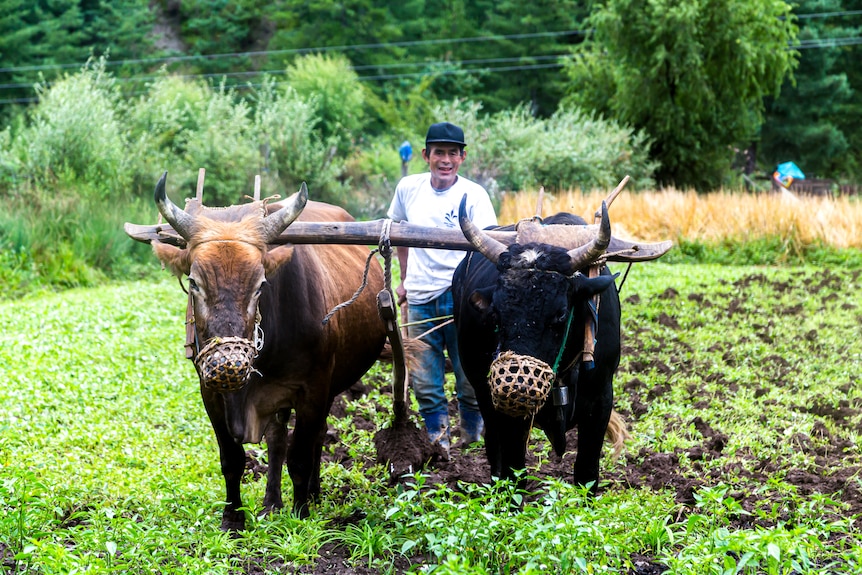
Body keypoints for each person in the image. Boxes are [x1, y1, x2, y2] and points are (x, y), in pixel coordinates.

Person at [387, 122, 497, 454]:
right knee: (424, 381)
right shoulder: (409, 188)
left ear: (462, 157)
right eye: (439, 153)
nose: (445, 160)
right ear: (426, 155)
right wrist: (404, 279)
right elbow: (398, 232)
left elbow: (489, 248)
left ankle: (471, 437)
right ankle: (438, 439)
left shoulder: (474, 194)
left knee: (469, 375)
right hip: (420, 297)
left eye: (452, 153)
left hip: (463, 300)